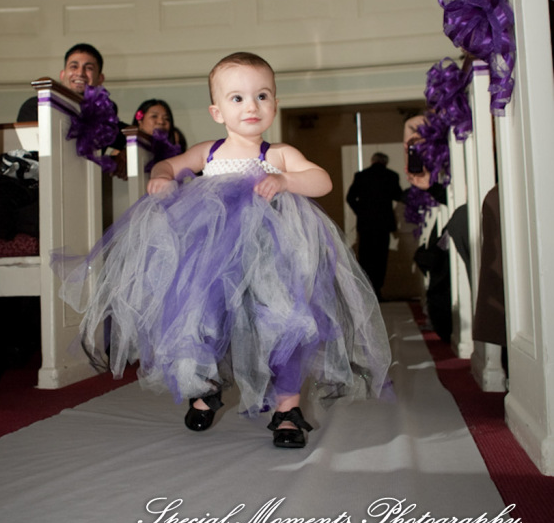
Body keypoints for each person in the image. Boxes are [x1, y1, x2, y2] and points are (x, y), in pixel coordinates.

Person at [56, 52, 391, 449]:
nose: (251, 106)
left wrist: (284, 180)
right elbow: (167, 166)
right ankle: (205, 387)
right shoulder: (208, 152)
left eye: (262, 96)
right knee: (201, 319)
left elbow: (322, 181)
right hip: (213, 261)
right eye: (237, 98)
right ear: (217, 111)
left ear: (275, 104)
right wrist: (162, 179)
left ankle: (287, 410)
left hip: (272, 262)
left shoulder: (277, 154)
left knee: (283, 326)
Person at [346, 153, 403, 301]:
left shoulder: (361, 176)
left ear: (372, 161)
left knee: (365, 257)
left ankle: (366, 291)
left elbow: (350, 197)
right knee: (380, 258)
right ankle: (377, 290)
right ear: (386, 162)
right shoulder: (391, 176)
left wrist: (361, 212)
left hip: (366, 224)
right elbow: (398, 195)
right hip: (383, 224)